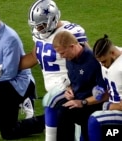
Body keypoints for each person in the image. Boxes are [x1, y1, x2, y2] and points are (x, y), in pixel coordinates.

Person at [19, 0, 90, 140]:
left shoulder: (71, 32)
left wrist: (77, 85)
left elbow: (88, 60)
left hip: (70, 91)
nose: (38, 29)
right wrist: (9, 67)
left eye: (42, 25)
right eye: (36, 26)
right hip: (55, 93)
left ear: (53, 19)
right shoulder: (39, 35)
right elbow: (35, 56)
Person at [0, 6, 44, 141]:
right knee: (9, 133)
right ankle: (47, 120)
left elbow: (9, 73)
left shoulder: (10, 38)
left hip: (17, 83)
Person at [52, 31, 109, 141]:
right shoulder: (69, 58)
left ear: (72, 46)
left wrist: (83, 102)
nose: (61, 56)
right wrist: (69, 89)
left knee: (64, 113)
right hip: (77, 100)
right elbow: (74, 80)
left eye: (62, 53)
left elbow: (106, 93)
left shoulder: (95, 62)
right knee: (60, 110)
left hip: (93, 104)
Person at [88, 35, 122, 141]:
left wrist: (108, 106)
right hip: (115, 110)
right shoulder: (111, 57)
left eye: (103, 61)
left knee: (95, 120)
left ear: (112, 53)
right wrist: (101, 91)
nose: (102, 65)